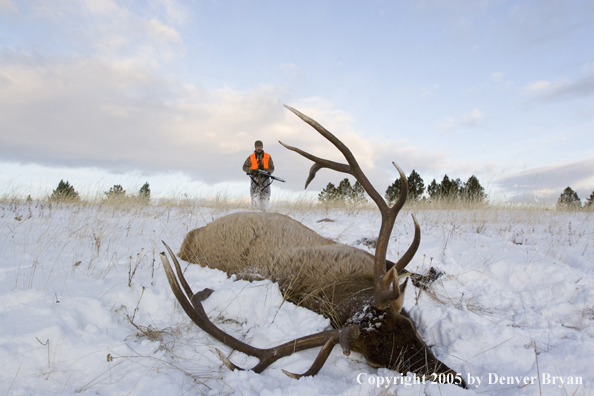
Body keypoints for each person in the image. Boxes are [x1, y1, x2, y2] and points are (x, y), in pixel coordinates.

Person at [242, 140, 275, 210]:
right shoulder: (251, 157)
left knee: (265, 199)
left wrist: (267, 171)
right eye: (257, 146)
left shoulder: (268, 156)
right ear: (255, 147)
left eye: (260, 146)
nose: (259, 148)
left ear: (262, 147)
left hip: (265, 180)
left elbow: (272, 168)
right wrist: (252, 171)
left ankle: (264, 214)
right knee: (255, 199)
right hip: (255, 180)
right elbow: (244, 167)